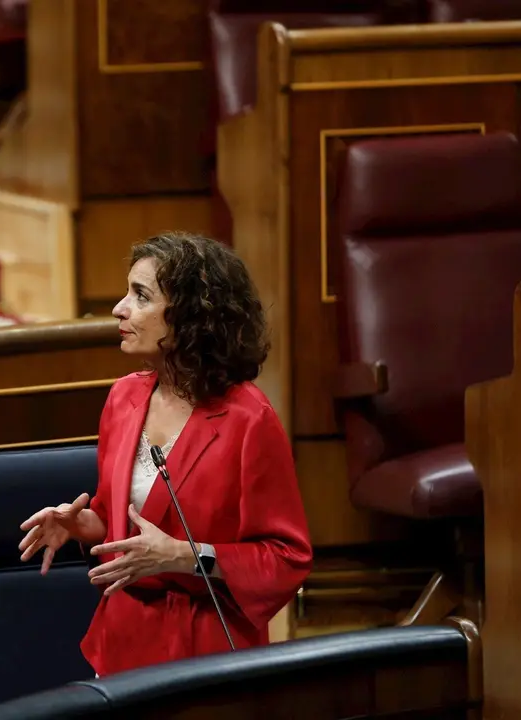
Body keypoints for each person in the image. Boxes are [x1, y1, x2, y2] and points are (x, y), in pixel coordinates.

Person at [18, 231, 313, 677]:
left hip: (204, 650)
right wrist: (83, 525)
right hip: (121, 640)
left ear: (192, 315)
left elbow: (286, 558)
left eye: (140, 296)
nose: (120, 308)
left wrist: (182, 556)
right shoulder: (123, 398)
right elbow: (125, 522)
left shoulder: (249, 419)